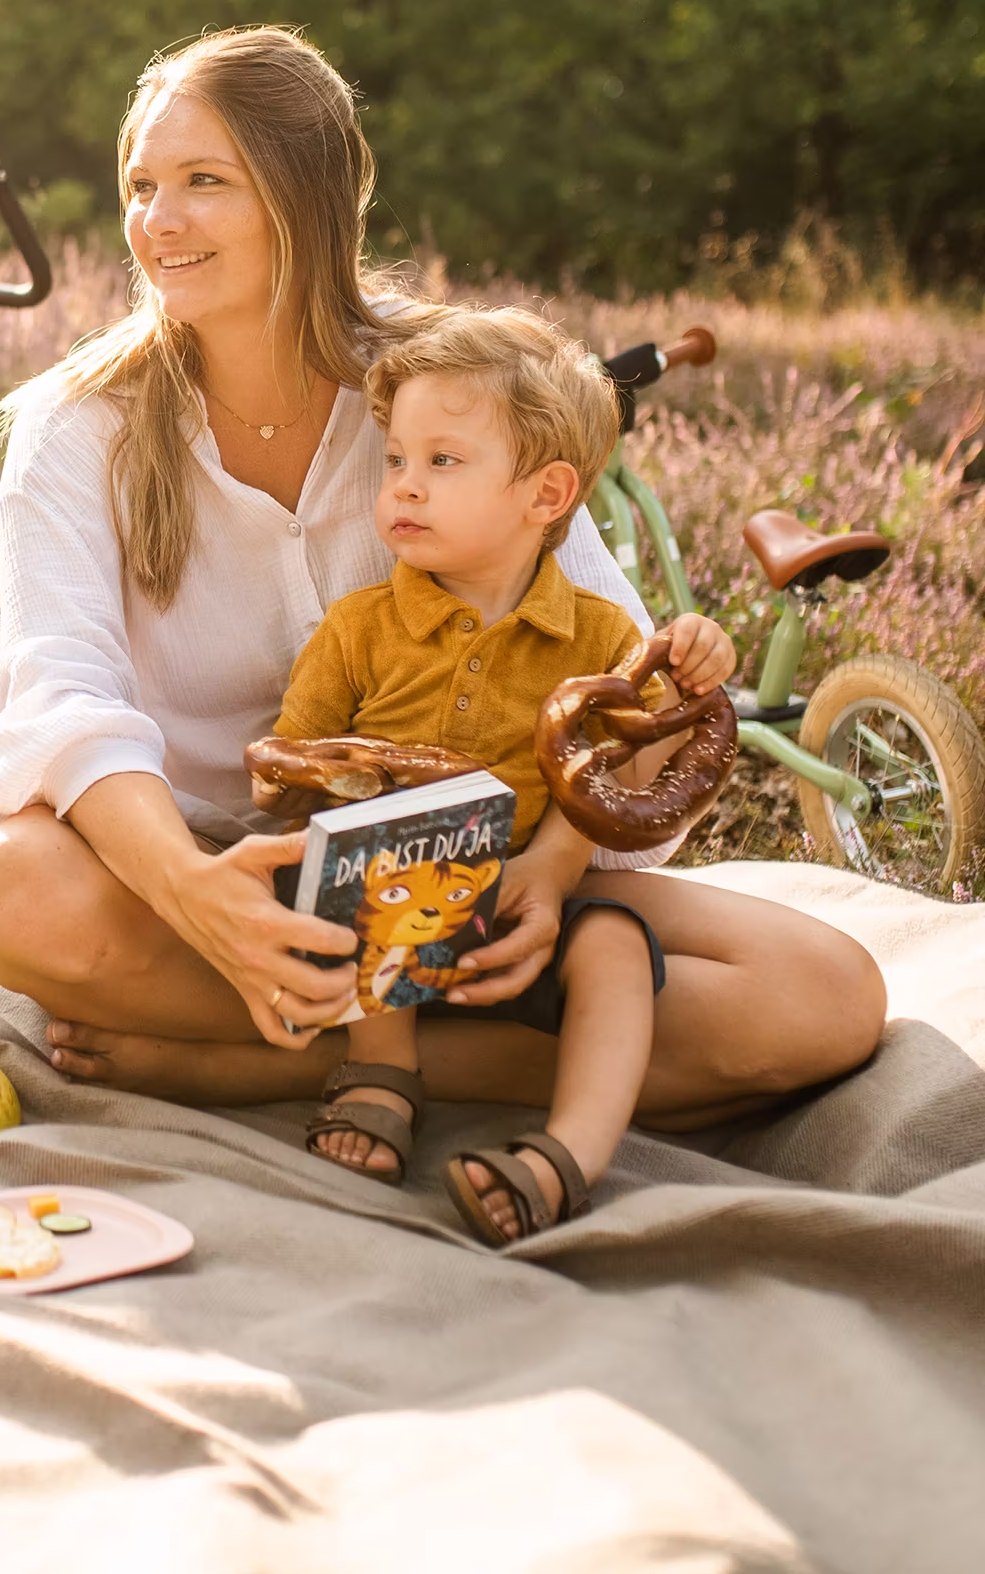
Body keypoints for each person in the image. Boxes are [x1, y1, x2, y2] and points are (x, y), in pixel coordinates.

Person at [0, 25, 884, 1154]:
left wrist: (552, 870)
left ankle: (267, 1062)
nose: (158, 221)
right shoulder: (74, 426)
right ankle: (471, 1055)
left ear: (309, 199)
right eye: (142, 185)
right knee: (13, 886)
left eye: (204, 182)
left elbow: (615, 689)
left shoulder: (455, 392)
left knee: (822, 993)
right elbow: (61, 690)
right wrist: (197, 895)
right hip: (223, 875)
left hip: (481, 877)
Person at [273, 307, 720, 1242]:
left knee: (619, 949)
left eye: (443, 462)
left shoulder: (603, 640)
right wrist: (344, 806)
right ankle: (383, 1074)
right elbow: (290, 768)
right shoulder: (361, 628)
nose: (404, 486)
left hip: (528, 903)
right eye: (396, 459)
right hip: (387, 905)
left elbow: (622, 775)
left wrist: (695, 660)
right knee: (391, 866)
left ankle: (566, 1156)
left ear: (547, 494)